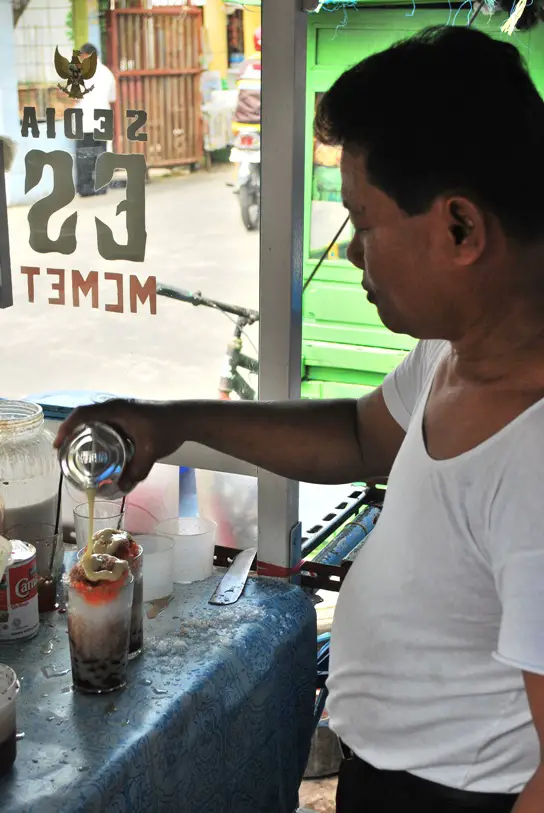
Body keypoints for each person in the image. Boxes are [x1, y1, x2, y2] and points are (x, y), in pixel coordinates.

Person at [56, 26, 544, 813]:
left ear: (460, 229)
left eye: (365, 222)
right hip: (393, 766)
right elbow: (359, 436)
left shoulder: (535, 456)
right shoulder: (456, 354)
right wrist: (170, 421)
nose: (352, 254)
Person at [75, 43, 116, 197]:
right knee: (101, 153)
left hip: (86, 120)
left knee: (85, 154)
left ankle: (85, 188)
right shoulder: (107, 73)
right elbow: (112, 98)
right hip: (103, 119)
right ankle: (101, 187)